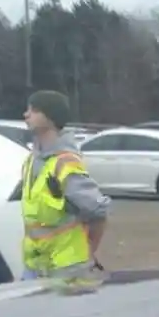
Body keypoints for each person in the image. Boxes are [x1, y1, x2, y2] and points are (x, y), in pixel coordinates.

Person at [19, 90, 110, 280]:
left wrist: (88, 253)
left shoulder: (65, 162)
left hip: (67, 269)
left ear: (51, 118)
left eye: (34, 110)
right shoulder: (31, 161)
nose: (26, 114)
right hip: (35, 267)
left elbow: (98, 212)